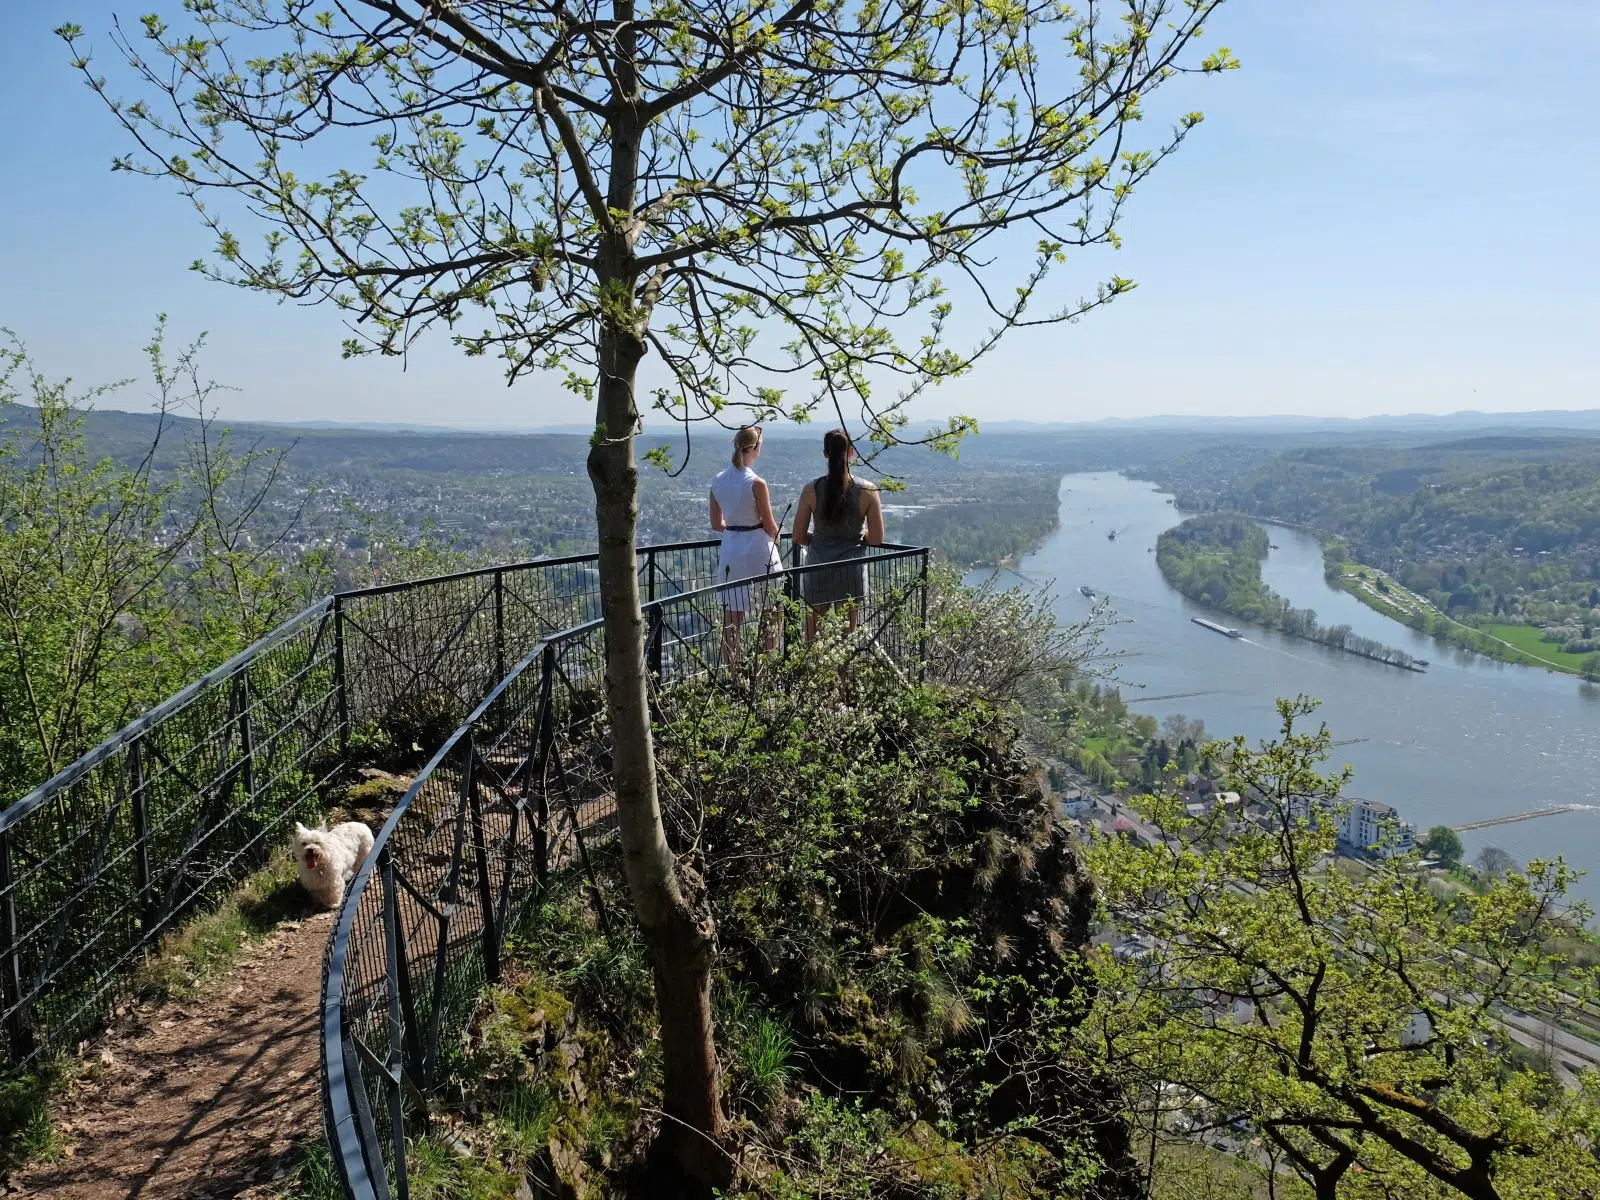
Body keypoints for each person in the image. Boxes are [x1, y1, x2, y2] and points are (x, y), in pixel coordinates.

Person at [792, 428, 884, 641]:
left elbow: (797, 536)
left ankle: (811, 675)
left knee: (812, 639)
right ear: (851, 453)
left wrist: (819, 540)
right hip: (851, 572)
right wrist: (859, 535)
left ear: (826, 453)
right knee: (846, 639)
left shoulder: (811, 490)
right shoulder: (868, 491)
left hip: (817, 568)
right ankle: (844, 675)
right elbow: (877, 539)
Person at [709, 425, 781, 670]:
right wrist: (775, 535)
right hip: (759, 550)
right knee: (771, 610)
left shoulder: (718, 481)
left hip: (731, 550)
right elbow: (770, 526)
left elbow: (716, 524)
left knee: (732, 617)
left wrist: (735, 525)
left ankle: (733, 673)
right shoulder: (757, 483)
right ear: (754, 449)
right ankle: (765, 670)